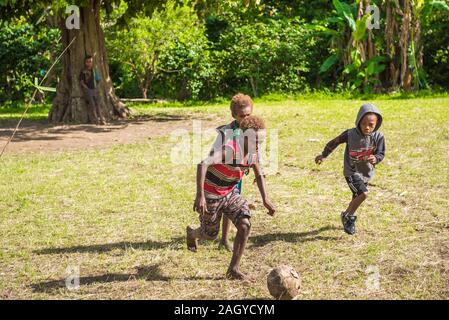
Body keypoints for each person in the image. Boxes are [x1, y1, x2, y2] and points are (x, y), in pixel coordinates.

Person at [187, 115, 276, 281]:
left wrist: (266, 199)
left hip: (230, 192)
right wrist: (200, 196)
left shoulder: (254, 153)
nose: (258, 145)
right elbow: (203, 164)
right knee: (210, 235)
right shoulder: (230, 149)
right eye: (255, 141)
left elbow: (259, 174)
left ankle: (233, 269)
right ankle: (192, 233)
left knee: (245, 224)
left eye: (261, 141)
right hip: (211, 194)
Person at [315, 103, 386, 235]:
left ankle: (345, 215)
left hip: (366, 172)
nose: (367, 127)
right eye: (363, 123)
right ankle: (349, 217)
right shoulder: (350, 134)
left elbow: (381, 154)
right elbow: (334, 142)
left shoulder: (379, 137)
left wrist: (376, 158)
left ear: (377, 124)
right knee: (363, 194)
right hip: (351, 172)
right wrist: (323, 155)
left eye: (371, 125)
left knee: (356, 197)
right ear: (358, 121)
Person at [79, 55, 106, 125]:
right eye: (87, 62)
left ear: (92, 62)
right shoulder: (83, 71)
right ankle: (96, 120)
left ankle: (102, 119)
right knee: (92, 105)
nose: (89, 63)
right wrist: (86, 88)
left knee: (98, 105)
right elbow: (81, 81)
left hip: (95, 89)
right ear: (85, 63)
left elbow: (98, 79)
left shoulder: (94, 70)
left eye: (90, 62)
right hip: (88, 90)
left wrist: (97, 87)